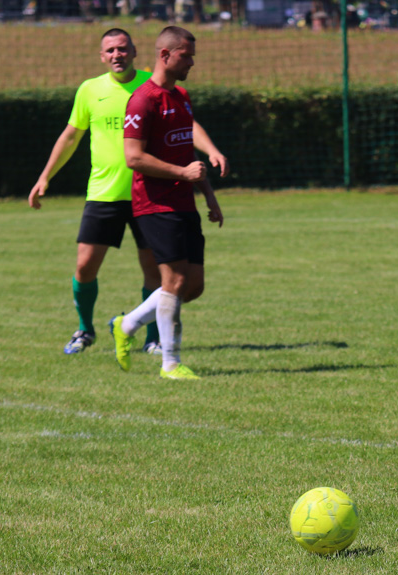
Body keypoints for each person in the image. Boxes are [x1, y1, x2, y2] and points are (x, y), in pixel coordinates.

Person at [30, 28, 161, 356]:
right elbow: (71, 136)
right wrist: (46, 176)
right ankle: (85, 330)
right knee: (85, 266)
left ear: (134, 51)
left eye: (122, 48)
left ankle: (154, 338)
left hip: (148, 192)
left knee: (154, 268)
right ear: (102, 57)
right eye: (110, 51)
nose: (117, 55)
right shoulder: (90, 90)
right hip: (103, 193)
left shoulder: (153, 85)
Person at [110, 26, 226, 380]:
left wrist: (208, 195)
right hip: (154, 203)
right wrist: (183, 173)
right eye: (186, 55)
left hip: (183, 202)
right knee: (174, 281)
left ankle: (126, 323)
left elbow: (186, 152)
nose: (191, 62)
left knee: (193, 286)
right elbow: (133, 158)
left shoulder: (182, 97)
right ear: (165, 55)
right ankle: (170, 364)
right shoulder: (142, 100)